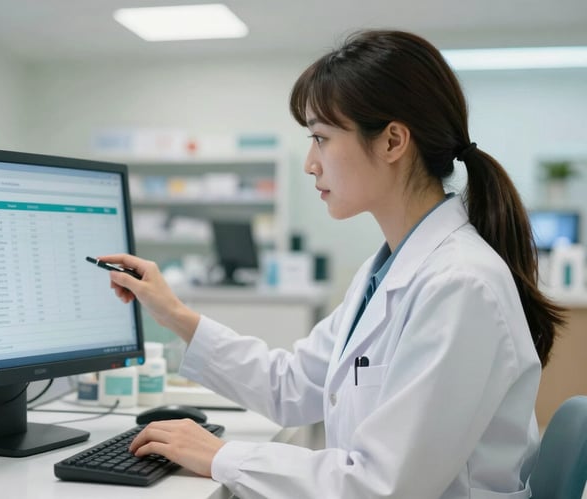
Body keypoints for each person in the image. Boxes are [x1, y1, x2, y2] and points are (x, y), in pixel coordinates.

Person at [101, 29, 564, 498]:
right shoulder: (386, 272)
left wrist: (222, 456)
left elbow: (382, 486)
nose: (309, 163)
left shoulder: (461, 285)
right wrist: (173, 313)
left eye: (320, 138)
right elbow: (291, 385)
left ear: (392, 142)